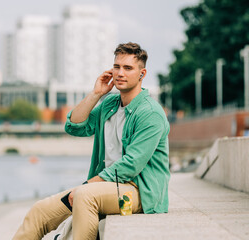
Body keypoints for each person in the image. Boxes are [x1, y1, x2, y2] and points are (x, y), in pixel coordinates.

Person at [13, 42, 170, 240]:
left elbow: (131, 165)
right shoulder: (110, 104)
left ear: (142, 73)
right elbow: (75, 126)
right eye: (117, 66)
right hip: (106, 186)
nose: (120, 73)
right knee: (40, 211)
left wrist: (87, 185)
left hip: (140, 192)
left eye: (128, 68)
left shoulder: (150, 113)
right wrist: (96, 94)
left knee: (84, 196)